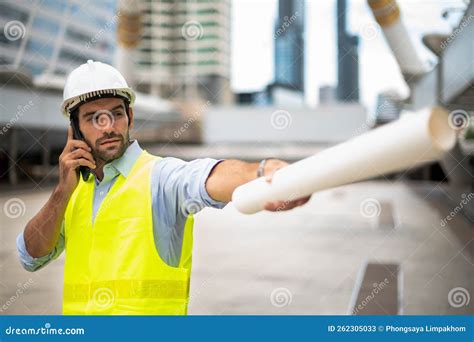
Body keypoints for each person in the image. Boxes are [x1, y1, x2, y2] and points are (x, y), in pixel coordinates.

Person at [17, 60, 310, 315]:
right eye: (94, 118)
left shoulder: (160, 177)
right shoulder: (72, 194)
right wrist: (60, 193)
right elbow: (30, 257)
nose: (108, 126)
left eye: (116, 114)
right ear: (75, 130)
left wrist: (261, 173)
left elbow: (206, 176)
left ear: (130, 117)